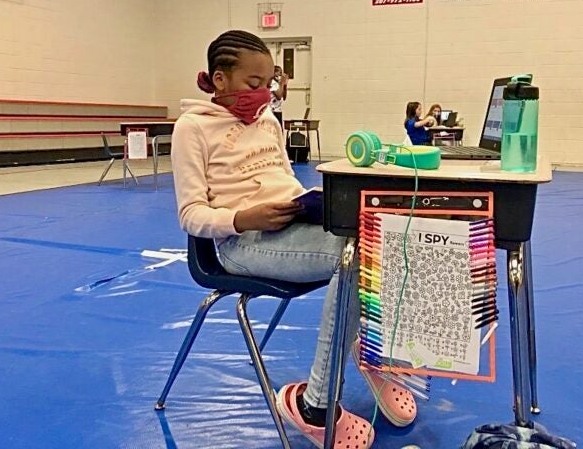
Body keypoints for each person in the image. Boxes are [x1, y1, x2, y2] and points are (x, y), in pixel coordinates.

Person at [172, 30, 416, 449]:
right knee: (354, 259)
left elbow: (284, 177)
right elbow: (190, 216)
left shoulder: (268, 118)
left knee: (387, 236)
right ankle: (314, 406)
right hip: (242, 244)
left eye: (269, 83)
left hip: (292, 224)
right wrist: (243, 217)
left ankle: (373, 353)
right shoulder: (191, 129)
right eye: (254, 84)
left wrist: (312, 203)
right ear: (219, 81)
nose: (264, 93)